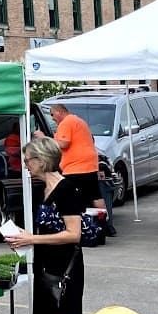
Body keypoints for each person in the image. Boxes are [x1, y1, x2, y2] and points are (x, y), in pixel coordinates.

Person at [3, 138, 84, 314]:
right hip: (46, 268)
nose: (25, 165)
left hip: (64, 273)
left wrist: (32, 240)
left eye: (27, 160)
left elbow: (74, 234)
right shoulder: (43, 191)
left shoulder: (67, 189)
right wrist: (21, 239)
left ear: (41, 160)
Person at [50, 100, 113, 238]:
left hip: (75, 167)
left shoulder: (66, 122)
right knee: (95, 196)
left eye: (52, 114)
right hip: (89, 164)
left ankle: (74, 228)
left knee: (70, 197)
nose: (52, 118)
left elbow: (64, 144)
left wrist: (46, 139)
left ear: (59, 112)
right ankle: (105, 224)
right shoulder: (78, 121)